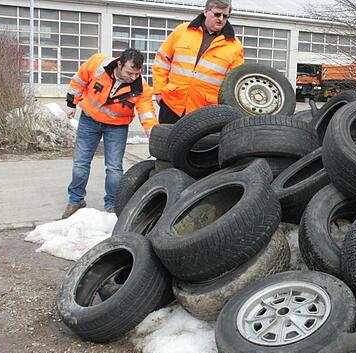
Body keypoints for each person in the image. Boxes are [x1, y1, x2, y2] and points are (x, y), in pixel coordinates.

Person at [62, 48, 157, 219]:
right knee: (80, 163)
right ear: (119, 64)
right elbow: (79, 80)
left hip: (116, 127)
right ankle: (76, 201)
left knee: (114, 168)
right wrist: (71, 103)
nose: (133, 77)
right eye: (129, 72)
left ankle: (112, 205)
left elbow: (147, 113)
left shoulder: (140, 87)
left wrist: (154, 136)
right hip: (89, 120)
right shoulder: (98, 64)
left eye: (137, 73)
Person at [152, 0, 245, 123]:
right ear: (206, 11)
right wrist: (159, 92)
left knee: (198, 143)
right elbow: (161, 61)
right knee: (165, 141)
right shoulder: (182, 31)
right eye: (217, 14)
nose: (221, 19)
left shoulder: (234, 46)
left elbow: (235, 84)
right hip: (172, 104)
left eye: (225, 16)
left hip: (204, 112)